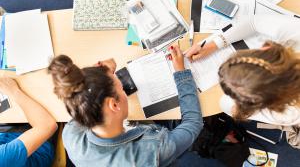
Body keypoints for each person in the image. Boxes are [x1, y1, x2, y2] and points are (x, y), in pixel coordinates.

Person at [48, 46, 221, 167]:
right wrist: (181, 72)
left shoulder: (71, 135)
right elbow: (192, 123)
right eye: (120, 88)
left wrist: (101, 77)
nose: (123, 90)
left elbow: (82, 98)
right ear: (114, 104)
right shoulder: (153, 150)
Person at [185, 14, 300, 126]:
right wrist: (213, 45)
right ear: (266, 48)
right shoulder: (289, 113)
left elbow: (226, 105)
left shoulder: (292, 114)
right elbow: (253, 22)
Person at [0, 78, 58, 167]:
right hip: (39, 148)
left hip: (6, 138)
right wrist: (14, 91)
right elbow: (48, 125)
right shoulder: (3, 158)